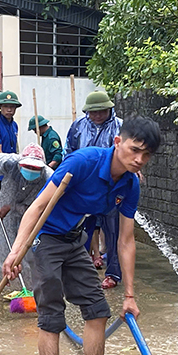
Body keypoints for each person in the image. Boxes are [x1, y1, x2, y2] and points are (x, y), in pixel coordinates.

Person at [3, 116, 162, 355]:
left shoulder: (129, 184)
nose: (139, 159)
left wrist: (129, 295)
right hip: (46, 239)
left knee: (97, 310)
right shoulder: (82, 162)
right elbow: (36, 208)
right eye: (134, 150)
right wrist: (17, 250)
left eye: (146, 155)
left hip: (75, 240)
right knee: (51, 318)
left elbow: (126, 241)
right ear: (118, 142)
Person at [65, 89, 124, 288]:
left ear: (109, 109)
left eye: (102, 111)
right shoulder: (78, 127)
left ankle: (113, 274)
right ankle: (81, 271)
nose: (97, 115)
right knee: (82, 230)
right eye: (93, 112)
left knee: (113, 231)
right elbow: (70, 152)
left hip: (111, 186)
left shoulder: (120, 127)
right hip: (84, 185)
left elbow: (127, 154)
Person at [0, 143, 52, 286]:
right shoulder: (8, 162)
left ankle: (29, 288)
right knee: (2, 245)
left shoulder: (49, 176)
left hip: (30, 215)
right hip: (5, 214)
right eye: (27, 167)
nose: (30, 170)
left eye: (35, 169)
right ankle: (7, 284)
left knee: (28, 253)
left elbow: (45, 205)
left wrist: (13, 207)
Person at [0, 90, 21, 155]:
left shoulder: (14, 125)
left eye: (12, 106)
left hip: (12, 163)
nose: (9, 110)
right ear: (0, 107)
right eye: (5, 106)